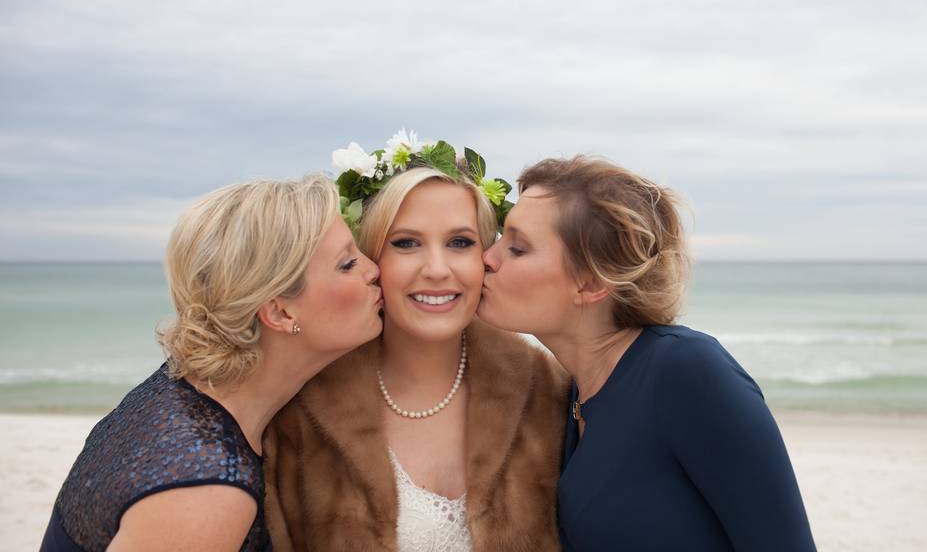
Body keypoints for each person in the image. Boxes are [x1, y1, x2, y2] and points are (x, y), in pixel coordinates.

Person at [478, 156, 817, 552]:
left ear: (590, 283)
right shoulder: (571, 394)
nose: (489, 256)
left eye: (517, 248)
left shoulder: (688, 373)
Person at [41, 175, 383, 552]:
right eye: (348, 263)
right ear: (279, 311)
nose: (373, 270)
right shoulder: (207, 490)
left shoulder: (183, 391)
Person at [264, 134, 569, 552]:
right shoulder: (298, 408)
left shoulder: (548, 390)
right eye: (406, 243)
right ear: (371, 259)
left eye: (460, 243)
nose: (437, 269)